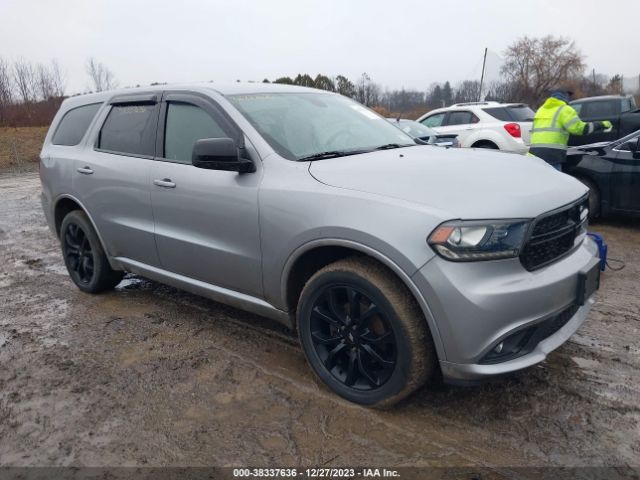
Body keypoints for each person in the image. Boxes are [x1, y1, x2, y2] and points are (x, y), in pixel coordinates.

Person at [529, 88, 612, 171]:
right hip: (552, 154)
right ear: (565, 97)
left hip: (534, 153)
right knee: (555, 181)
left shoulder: (540, 110)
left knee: (541, 180)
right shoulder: (564, 109)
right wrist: (601, 124)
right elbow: (580, 129)